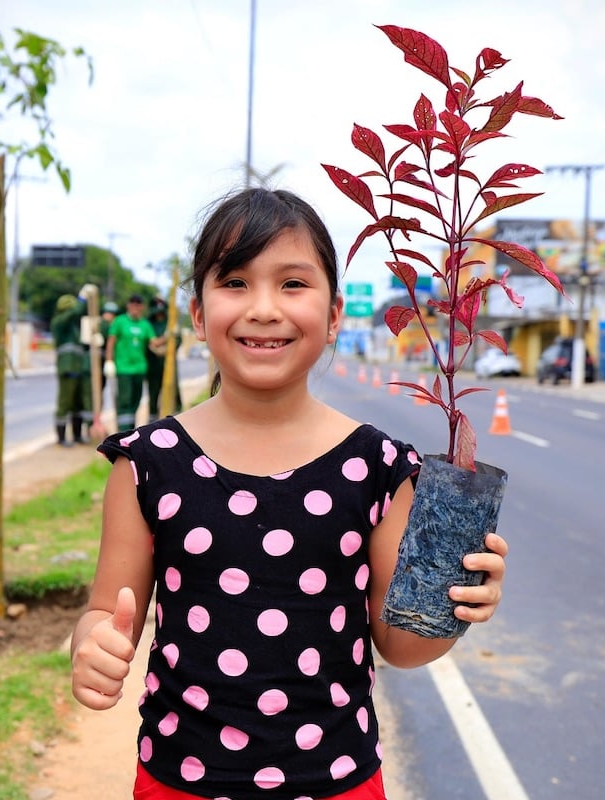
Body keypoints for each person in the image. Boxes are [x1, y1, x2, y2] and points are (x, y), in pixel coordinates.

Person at [70, 188, 509, 799]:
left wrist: (456, 601)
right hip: (179, 781)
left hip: (337, 782)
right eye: (235, 282)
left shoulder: (379, 468)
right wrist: (91, 646)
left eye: (294, 284)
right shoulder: (146, 463)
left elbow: (401, 646)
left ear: (334, 317)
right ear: (198, 314)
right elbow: (104, 611)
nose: (264, 308)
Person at [104, 294, 164, 432]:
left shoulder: (145, 325)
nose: (135, 307)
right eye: (133, 304)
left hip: (140, 368)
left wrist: (168, 336)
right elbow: (111, 342)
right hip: (124, 368)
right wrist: (109, 360)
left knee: (136, 401)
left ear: (142, 307)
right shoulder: (120, 321)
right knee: (125, 401)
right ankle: (122, 432)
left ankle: (130, 431)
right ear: (128, 306)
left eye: (138, 305)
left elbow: (154, 342)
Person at [49, 291, 94, 446]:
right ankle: (61, 438)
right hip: (67, 369)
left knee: (78, 404)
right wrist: (82, 298)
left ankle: (77, 435)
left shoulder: (74, 328)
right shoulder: (59, 322)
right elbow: (74, 312)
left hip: (79, 368)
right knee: (65, 403)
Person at [144, 296, 181, 421]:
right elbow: (145, 341)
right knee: (153, 394)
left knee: (173, 393)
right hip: (153, 364)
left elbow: (178, 340)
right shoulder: (148, 323)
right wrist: (154, 348)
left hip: (168, 364)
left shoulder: (170, 323)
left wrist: (169, 348)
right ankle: (152, 420)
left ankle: (176, 420)